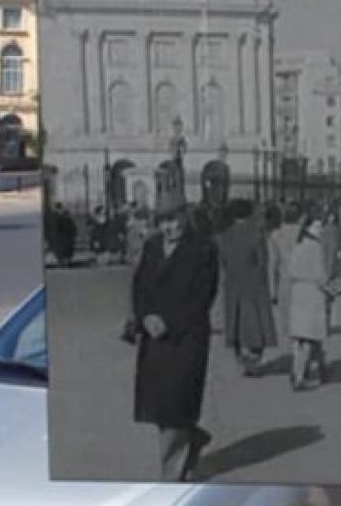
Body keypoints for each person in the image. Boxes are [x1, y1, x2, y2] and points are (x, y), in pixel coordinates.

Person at [127, 200, 217, 482]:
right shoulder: (153, 247)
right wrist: (145, 317)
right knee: (160, 408)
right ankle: (193, 436)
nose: (171, 227)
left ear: (185, 219)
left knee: (176, 406)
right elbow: (139, 286)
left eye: (176, 220)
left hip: (186, 338)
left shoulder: (204, 249)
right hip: (154, 338)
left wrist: (170, 322)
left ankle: (170, 479)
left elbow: (203, 296)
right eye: (165, 222)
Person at [216, 200, 278, 376]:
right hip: (253, 285)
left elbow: (223, 264)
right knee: (256, 324)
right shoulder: (256, 235)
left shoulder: (224, 236)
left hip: (233, 285)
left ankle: (241, 356)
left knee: (236, 323)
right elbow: (263, 262)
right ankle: (253, 358)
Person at [286, 209, 330, 390]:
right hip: (312, 294)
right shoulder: (315, 247)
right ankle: (299, 375)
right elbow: (320, 275)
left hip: (297, 293)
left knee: (300, 338)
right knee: (310, 338)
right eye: (318, 225)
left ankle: (301, 370)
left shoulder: (298, 245)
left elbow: (291, 271)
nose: (321, 229)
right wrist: (329, 288)